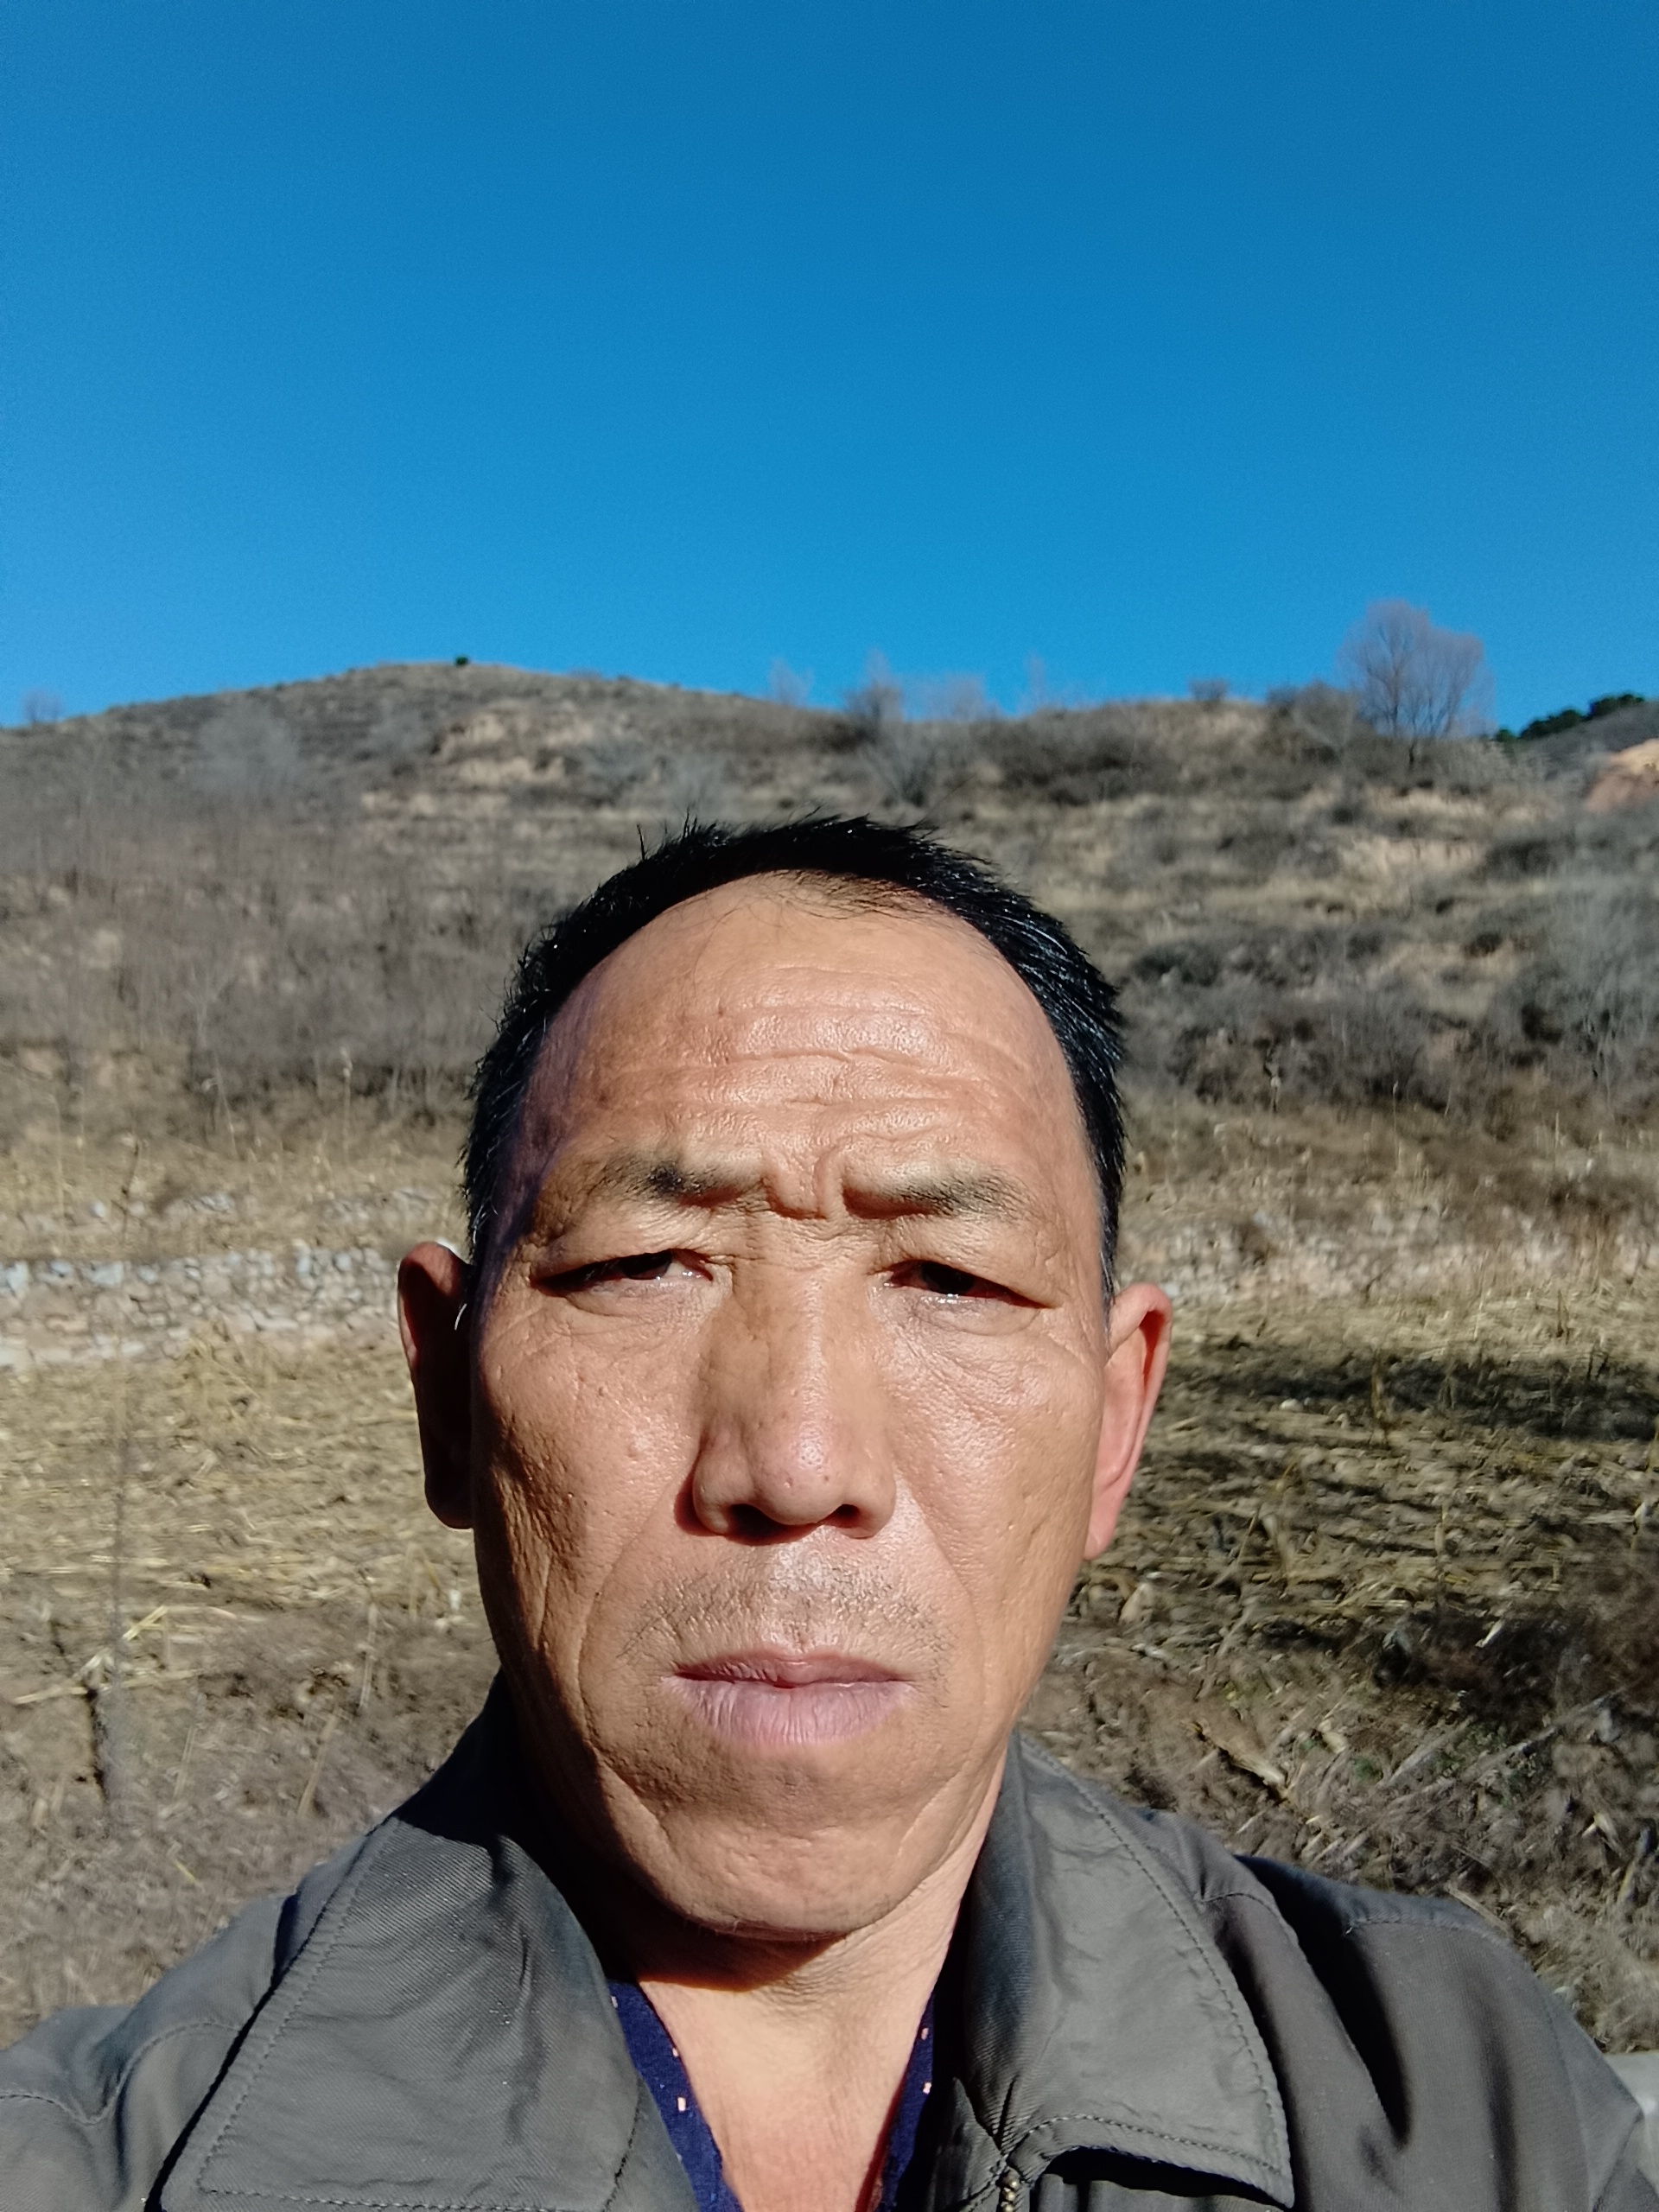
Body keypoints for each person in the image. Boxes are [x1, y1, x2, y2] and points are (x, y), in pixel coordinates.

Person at [0, 816, 1651, 2212]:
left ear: (1115, 1424)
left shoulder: (1471, 2111)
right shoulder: (107, 2162)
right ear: (447, 1393)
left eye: (950, 1279)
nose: (795, 1463)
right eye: (646, 1265)